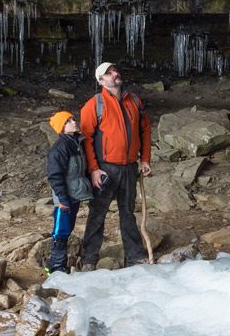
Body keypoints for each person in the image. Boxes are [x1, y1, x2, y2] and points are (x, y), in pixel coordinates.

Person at [78, 62, 152, 269]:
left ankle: (135, 256)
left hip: (129, 167)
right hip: (105, 169)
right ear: (101, 81)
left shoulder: (134, 101)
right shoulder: (94, 105)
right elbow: (86, 139)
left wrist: (145, 159)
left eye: (116, 71)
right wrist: (93, 170)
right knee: (97, 213)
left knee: (128, 211)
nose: (115, 74)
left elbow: (145, 130)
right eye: (108, 73)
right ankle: (89, 258)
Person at [44, 111, 93, 275]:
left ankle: (54, 263)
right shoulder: (60, 148)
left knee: (68, 227)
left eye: (72, 119)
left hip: (74, 193)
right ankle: (56, 266)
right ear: (62, 127)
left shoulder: (75, 142)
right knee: (61, 230)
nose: (74, 122)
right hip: (64, 197)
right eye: (68, 121)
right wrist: (62, 199)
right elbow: (55, 176)